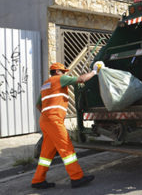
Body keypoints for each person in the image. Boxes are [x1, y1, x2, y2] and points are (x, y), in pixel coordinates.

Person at [31, 61, 103, 189]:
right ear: (58, 72)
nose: (65, 74)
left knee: (46, 153)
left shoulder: (45, 84)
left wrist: (47, 114)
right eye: (64, 72)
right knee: (66, 148)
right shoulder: (60, 79)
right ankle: (77, 177)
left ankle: (38, 180)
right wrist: (94, 72)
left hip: (44, 120)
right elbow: (81, 79)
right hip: (54, 121)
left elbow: (38, 104)